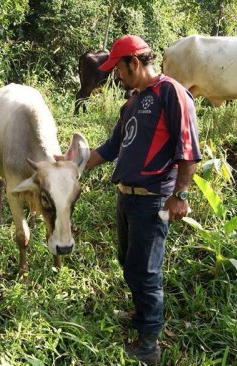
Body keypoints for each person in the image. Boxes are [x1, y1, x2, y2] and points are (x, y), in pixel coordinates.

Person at [85, 35, 202, 365]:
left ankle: (149, 345)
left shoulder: (171, 92)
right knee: (128, 261)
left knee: (146, 271)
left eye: (118, 69)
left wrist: (180, 195)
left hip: (153, 200)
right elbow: (109, 148)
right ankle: (140, 313)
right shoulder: (132, 102)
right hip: (126, 197)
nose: (116, 76)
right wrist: (72, 162)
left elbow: (187, 149)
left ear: (133, 62)